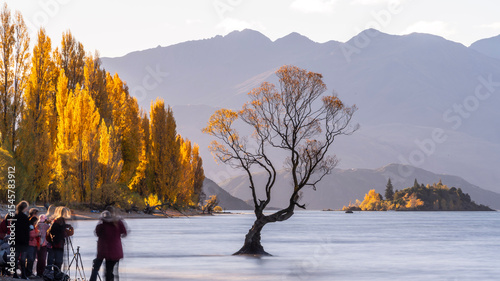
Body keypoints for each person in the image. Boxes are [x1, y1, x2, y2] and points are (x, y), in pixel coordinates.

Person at [89, 207, 127, 281]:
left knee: (102, 269)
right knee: (110, 271)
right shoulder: (118, 222)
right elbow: (124, 233)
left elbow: (97, 233)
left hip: (103, 250)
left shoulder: (102, 225)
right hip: (116, 251)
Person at [47, 207, 73, 271]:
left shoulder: (56, 221)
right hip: (58, 243)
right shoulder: (60, 221)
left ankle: (55, 272)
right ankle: (57, 273)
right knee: (58, 260)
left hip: (55, 242)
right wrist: (66, 229)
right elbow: (58, 231)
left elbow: (52, 231)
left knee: (55, 259)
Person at [14, 200, 30, 279]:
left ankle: (14, 274)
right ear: (24, 208)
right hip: (23, 240)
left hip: (16, 239)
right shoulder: (25, 218)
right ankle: (23, 274)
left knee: (16, 257)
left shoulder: (15, 216)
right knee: (23, 258)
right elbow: (27, 230)